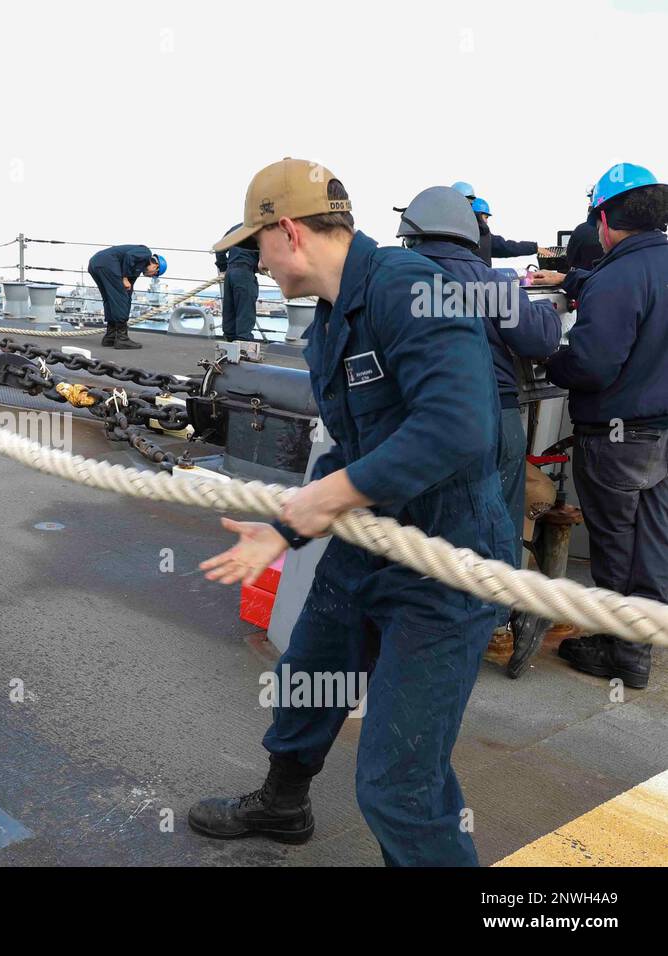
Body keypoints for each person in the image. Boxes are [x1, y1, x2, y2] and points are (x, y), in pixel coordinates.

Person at [190, 159, 512, 866]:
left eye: (256, 245)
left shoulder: (412, 289)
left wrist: (317, 504)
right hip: (366, 543)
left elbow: (458, 428)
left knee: (398, 784)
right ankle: (283, 803)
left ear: (290, 232)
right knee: (307, 678)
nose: (257, 263)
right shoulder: (329, 325)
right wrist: (282, 529)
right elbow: (356, 445)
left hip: (444, 565)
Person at [532, 163, 668, 689]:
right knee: (653, 543)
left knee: (615, 545)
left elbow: (592, 365)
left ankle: (623, 654)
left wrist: (550, 357)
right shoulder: (640, 267)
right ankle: (644, 641)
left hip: (620, 440)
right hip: (661, 437)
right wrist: (572, 278)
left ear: (605, 220)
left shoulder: (617, 276)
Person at [394, 186, 561, 567]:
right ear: (468, 234)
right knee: (499, 521)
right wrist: (550, 313)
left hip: (413, 419)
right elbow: (538, 339)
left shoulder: (390, 280)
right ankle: (497, 620)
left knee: (423, 527)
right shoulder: (491, 281)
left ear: (411, 235)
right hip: (492, 415)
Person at [86, 245, 166, 350]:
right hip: (108, 263)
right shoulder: (146, 253)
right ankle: (122, 339)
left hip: (94, 263)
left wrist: (126, 296)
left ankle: (110, 336)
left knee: (110, 298)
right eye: (154, 274)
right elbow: (129, 256)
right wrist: (124, 278)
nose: (151, 276)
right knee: (120, 299)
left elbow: (128, 290)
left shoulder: (136, 267)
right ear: (156, 266)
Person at [215, 223, 260, 342]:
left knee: (229, 309)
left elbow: (219, 249)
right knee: (245, 310)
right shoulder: (259, 229)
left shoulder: (236, 229)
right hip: (245, 272)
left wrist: (223, 267)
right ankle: (243, 344)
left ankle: (229, 341)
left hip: (230, 273)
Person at [470, 197, 538, 266]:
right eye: (486, 217)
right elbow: (508, 247)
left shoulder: (485, 237)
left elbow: (509, 247)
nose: (486, 222)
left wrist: (534, 247)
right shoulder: (483, 237)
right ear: (477, 215)